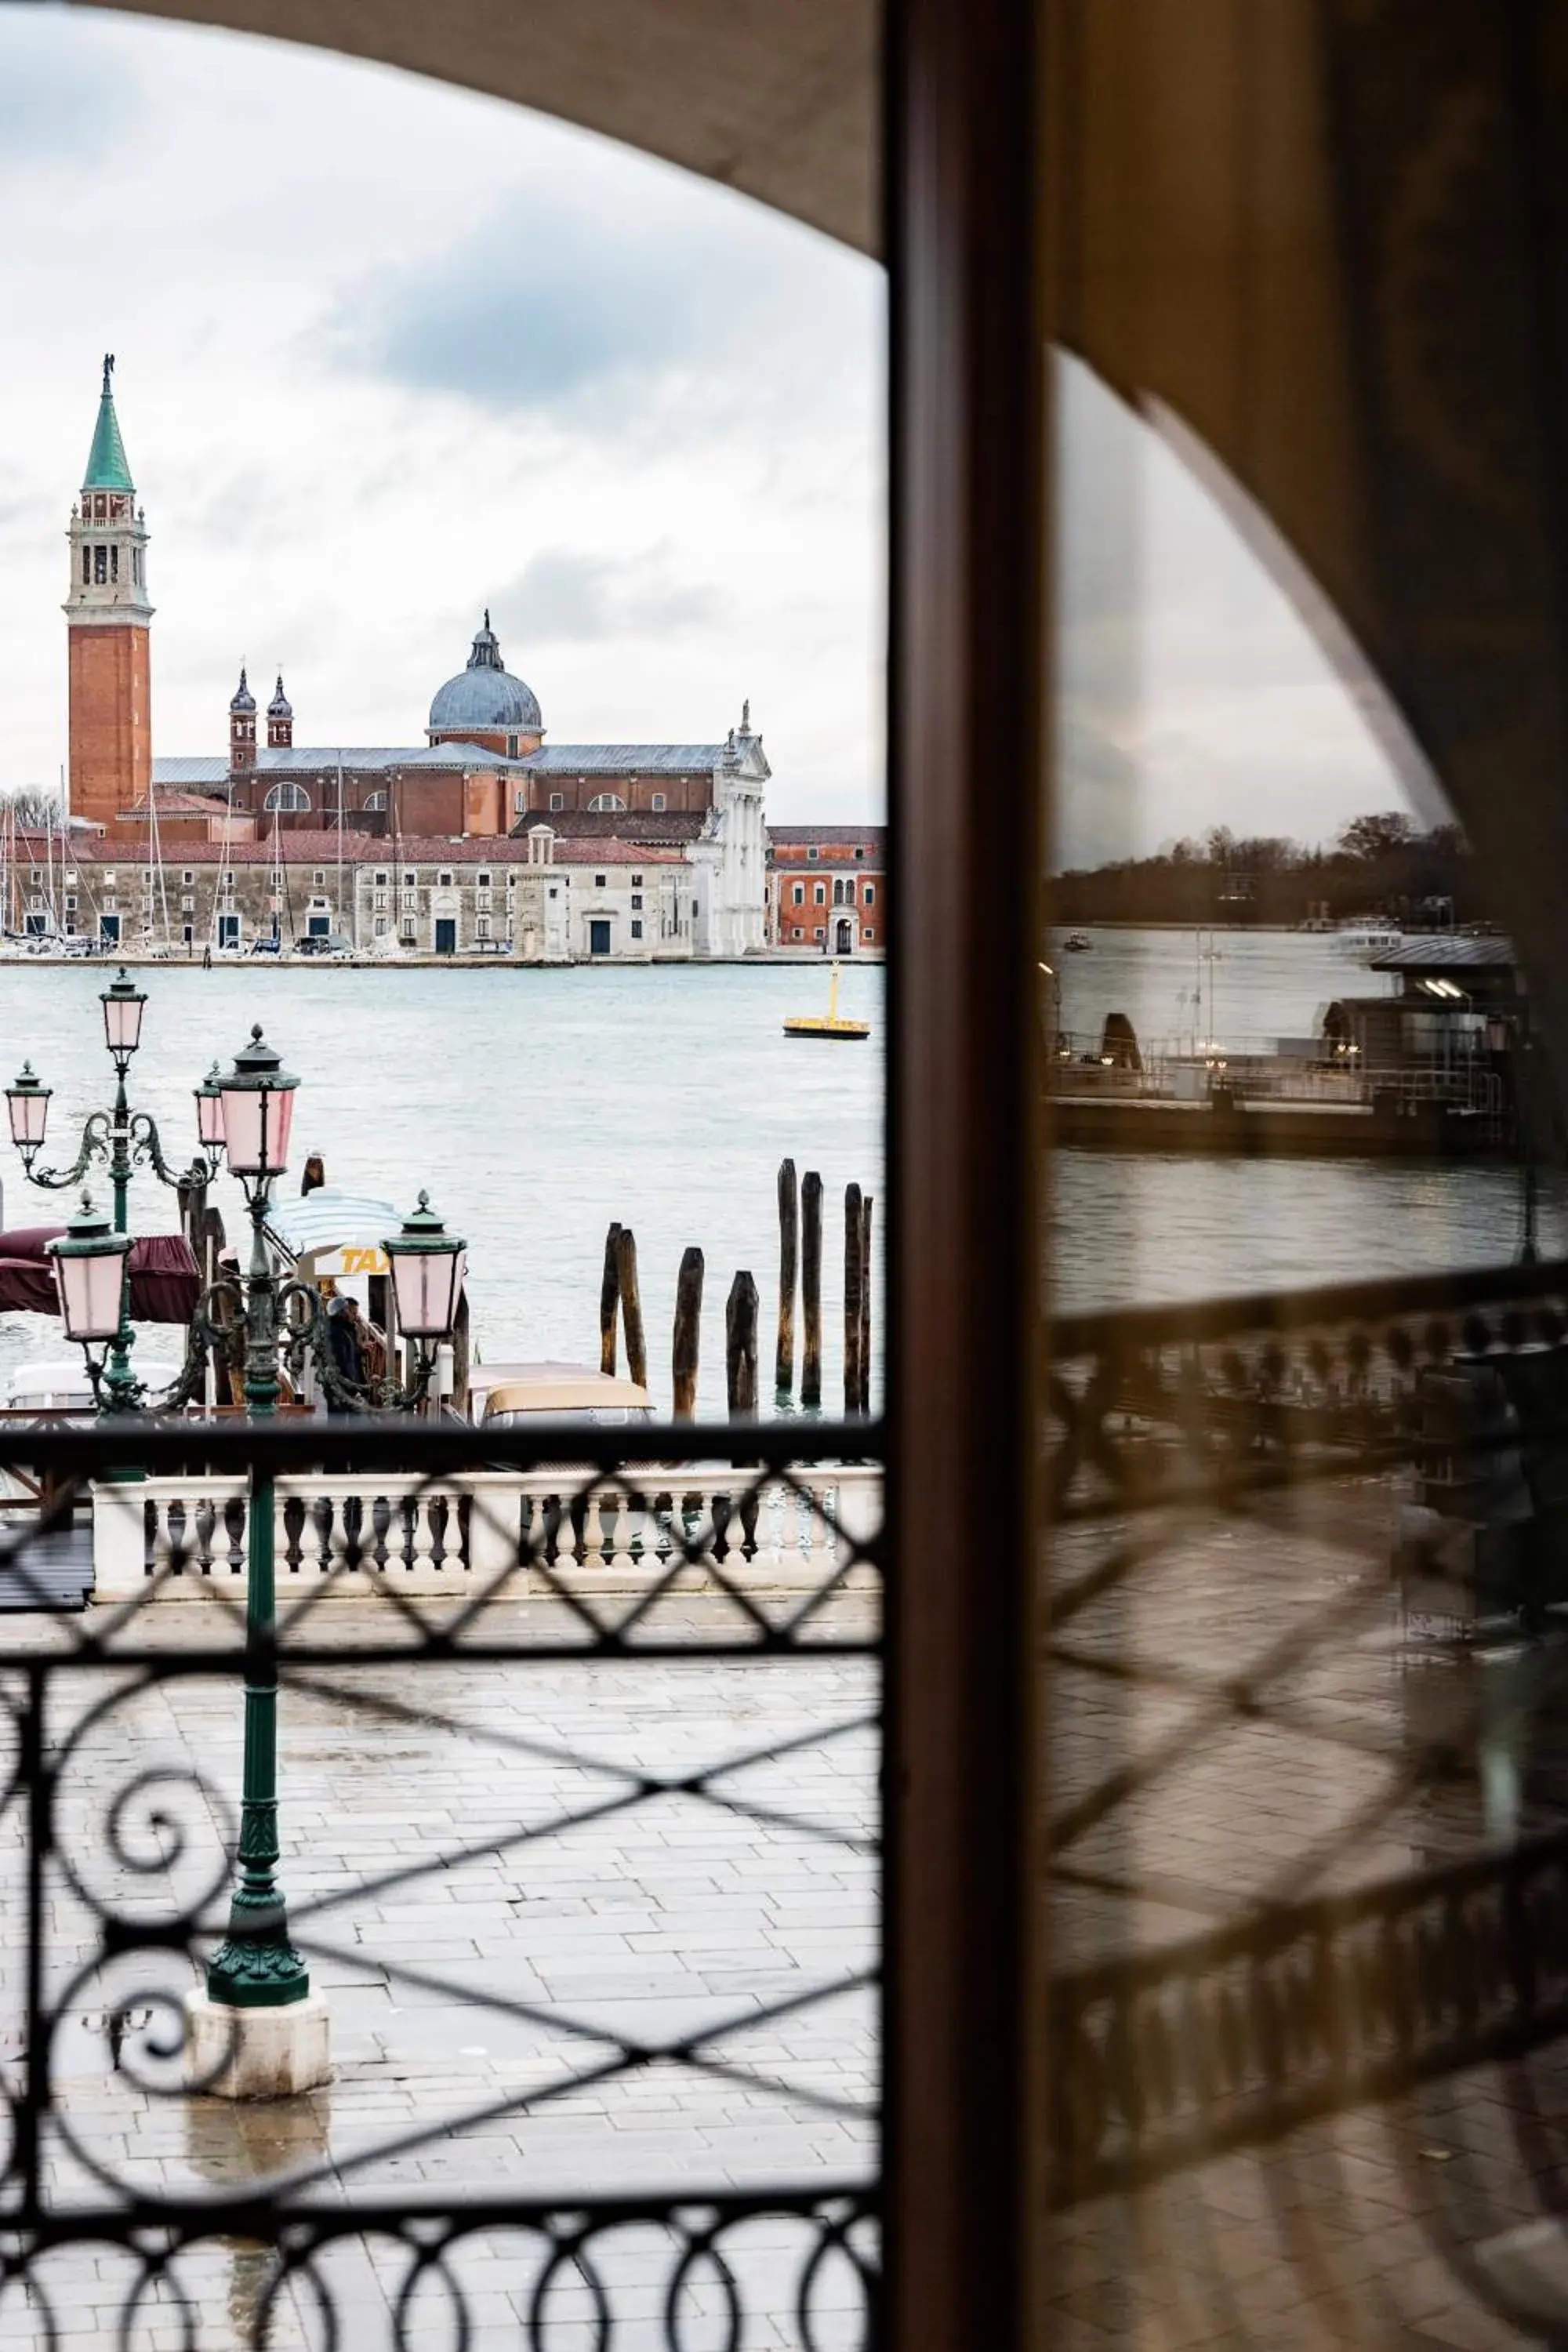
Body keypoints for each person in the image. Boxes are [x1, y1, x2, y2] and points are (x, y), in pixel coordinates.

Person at [324, 1293, 363, 1413]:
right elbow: (342, 1363)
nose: (353, 1316)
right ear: (341, 1313)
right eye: (349, 1311)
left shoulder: (341, 1330)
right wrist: (353, 1388)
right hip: (341, 1387)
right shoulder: (337, 1333)